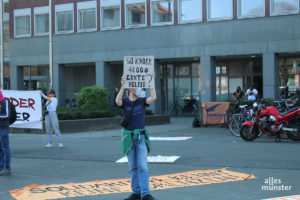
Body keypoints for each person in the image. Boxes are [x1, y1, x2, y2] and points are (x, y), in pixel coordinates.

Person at [115, 75, 156, 200]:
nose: (134, 88)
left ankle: (145, 193)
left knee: (142, 166)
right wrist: (122, 86)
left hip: (140, 137)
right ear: (129, 88)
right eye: (132, 86)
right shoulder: (126, 101)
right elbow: (117, 102)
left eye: (136, 86)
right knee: (132, 167)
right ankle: (136, 192)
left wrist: (152, 82)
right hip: (128, 137)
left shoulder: (142, 100)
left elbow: (153, 97)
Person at [0, 90, 11, 176]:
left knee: (5, 147)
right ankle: (1, 167)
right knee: (0, 148)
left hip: (3, 127)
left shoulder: (5, 101)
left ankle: (7, 168)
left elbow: (7, 115)